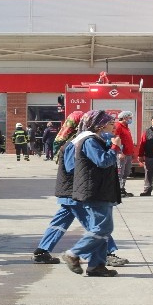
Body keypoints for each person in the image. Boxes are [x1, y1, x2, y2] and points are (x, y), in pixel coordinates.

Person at [32, 112, 128, 268]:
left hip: (72, 190)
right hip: (74, 191)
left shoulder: (76, 141)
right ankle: (106, 254)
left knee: (62, 222)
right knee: (97, 225)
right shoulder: (77, 142)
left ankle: (42, 251)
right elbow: (73, 168)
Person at [60, 110, 122, 277]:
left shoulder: (96, 139)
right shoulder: (89, 140)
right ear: (100, 125)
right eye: (110, 123)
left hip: (100, 190)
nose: (113, 126)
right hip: (95, 190)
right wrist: (115, 147)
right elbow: (102, 161)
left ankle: (97, 265)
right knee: (104, 227)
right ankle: (73, 253)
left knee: (100, 230)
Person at [114, 111, 135, 197]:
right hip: (122, 154)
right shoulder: (118, 126)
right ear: (125, 117)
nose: (131, 119)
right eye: (130, 117)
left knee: (126, 172)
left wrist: (132, 153)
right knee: (120, 172)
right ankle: (117, 190)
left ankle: (122, 188)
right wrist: (119, 152)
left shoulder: (126, 127)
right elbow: (115, 139)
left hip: (128, 154)